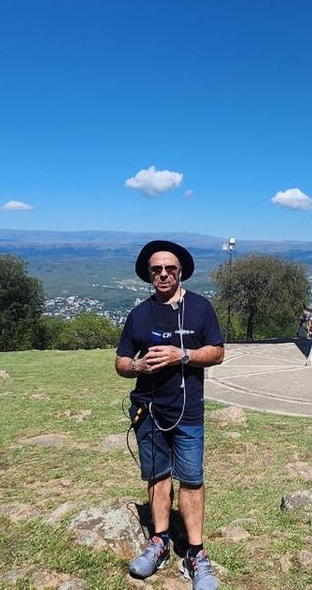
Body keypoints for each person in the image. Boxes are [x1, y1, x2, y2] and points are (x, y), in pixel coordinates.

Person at [116, 240, 224, 589]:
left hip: (188, 411)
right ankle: (160, 541)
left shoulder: (200, 308)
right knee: (158, 476)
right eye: (156, 270)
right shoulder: (138, 314)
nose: (163, 274)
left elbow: (217, 352)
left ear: (180, 272)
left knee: (191, 479)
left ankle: (196, 552)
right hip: (148, 411)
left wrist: (184, 356)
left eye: (170, 269)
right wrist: (136, 364)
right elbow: (120, 362)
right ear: (149, 275)